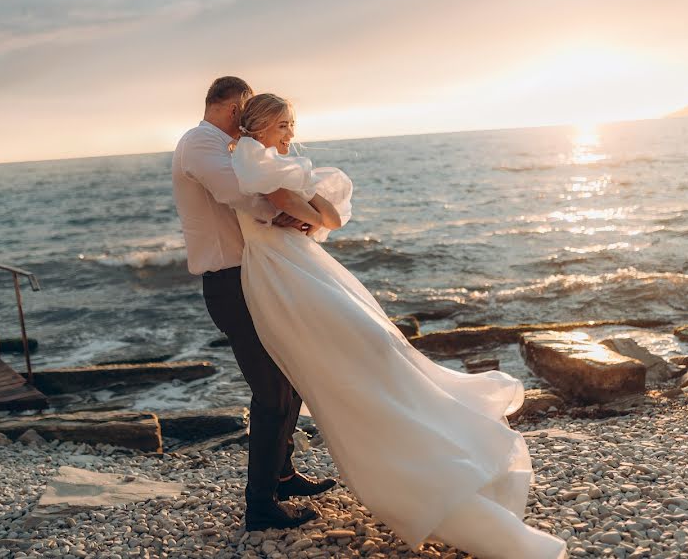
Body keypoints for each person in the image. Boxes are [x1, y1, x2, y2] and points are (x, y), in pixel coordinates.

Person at [226, 92, 568, 558]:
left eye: (292, 124)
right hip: (283, 271)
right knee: (370, 350)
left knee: (373, 349)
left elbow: (323, 216)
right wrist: (307, 214)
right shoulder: (255, 162)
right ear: (262, 122)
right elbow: (307, 210)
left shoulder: (260, 160)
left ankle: (425, 447)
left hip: (290, 266)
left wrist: (310, 215)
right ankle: (418, 457)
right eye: (284, 124)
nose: (291, 134)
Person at [172, 77, 337, 532]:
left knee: (291, 373)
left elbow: (255, 188)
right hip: (229, 283)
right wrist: (284, 212)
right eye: (245, 113)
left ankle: (282, 475)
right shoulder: (200, 143)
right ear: (233, 106)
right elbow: (238, 194)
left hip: (253, 278)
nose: (247, 123)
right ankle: (260, 505)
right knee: (271, 393)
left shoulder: (226, 147)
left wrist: (294, 209)